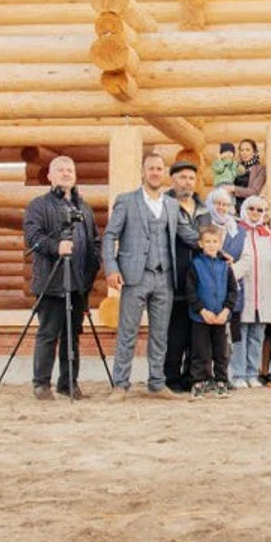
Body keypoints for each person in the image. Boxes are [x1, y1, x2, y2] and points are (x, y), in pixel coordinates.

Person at [101, 152, 199, 396]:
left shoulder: (171, 205)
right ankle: (120, 385)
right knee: (128, 332)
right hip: (135, 276)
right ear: (143, 172)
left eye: (159, 168)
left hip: (164, 276)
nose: (155, 172)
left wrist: (217, 247)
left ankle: (156, 382)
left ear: (163, 173)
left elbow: (188, 235)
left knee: (160, 334)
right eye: (151, 168)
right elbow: (110, 236)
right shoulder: (126, 200)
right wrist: (111, 268)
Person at [23, 155, 99, 400]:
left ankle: (68, 383)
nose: (66, 174)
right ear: (50, 176)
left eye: (70, 170)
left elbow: (94, 240)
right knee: (48, 334)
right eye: (61, 170)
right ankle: (41, 384)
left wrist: (93, 265)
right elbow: (33, 236)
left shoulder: (83, 208)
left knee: (72, 336)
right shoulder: (38, 205)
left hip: (78, 283)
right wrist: (56, 246)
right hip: (51, 281)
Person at [183, 224, 241, 398]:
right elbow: (190, 291)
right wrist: (201, 310)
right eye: (207, 241)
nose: (211, 245)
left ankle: (222, 380)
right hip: (201, 317)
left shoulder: (225, 266)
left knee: (221, 351)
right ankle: (199, 382)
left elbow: (233, 290)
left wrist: (226, 311)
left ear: (220, 244)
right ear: (201, 244)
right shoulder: (195, 265)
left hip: (220, 317)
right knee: (200, 351)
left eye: (214, 241)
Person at [161, 161, 203, 392]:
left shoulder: (203, 208)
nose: (187, 182)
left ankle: (190, 377)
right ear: (172, 180)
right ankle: (170, 377)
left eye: (191, 178)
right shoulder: (164, 205)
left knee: (193, 333)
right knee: (173, 334)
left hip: (198, 279)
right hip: (173, 278)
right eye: (182, 177)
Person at [232, 195, 271, 387]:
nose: (255, 213)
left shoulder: (268, 235)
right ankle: (238, 374)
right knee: (240, 335)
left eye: (260, 210)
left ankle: (252, 372)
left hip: (265, 292)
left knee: (258, 336)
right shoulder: (235, 232)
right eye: (251, 208)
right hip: (243, 291)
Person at [230, 138, 266, 203]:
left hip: (248, 204)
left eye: (247, 150)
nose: (244, 153)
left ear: (254, 152)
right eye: (242, 150)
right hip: (231, 203)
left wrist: (234, 189)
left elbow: (254, 192)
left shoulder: (260, 169)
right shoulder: (235, 167)